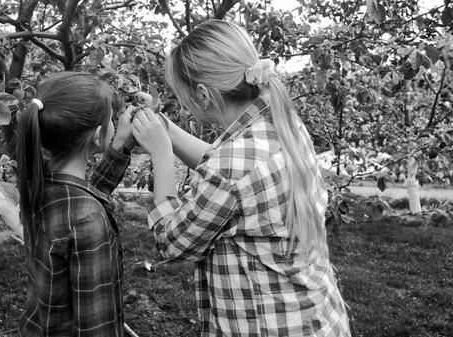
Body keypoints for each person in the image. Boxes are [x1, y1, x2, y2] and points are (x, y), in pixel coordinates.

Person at [131, 20, 351, 336]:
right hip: (313, 317)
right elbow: (230, 174)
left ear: (203, 96)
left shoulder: (231, 166)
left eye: (183, 96)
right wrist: (163, 127)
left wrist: (161, 155)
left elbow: (173, 242)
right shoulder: (280, 125)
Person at [15, 71, 135, 336]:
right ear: (98, 135)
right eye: (112, 120)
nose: (116, 124)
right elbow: (98, 327)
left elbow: (90, 192)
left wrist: (121, 146)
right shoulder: (89, 220)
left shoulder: (39, 180)